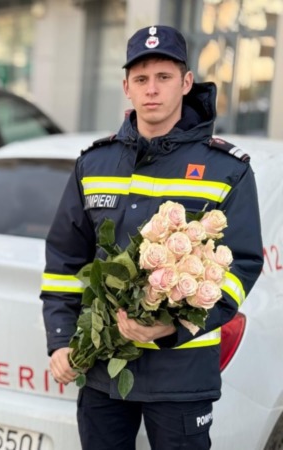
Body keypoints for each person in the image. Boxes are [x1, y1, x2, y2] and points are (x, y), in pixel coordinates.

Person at [41, 25, 264, 449]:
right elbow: (65, 261)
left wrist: (172, 326)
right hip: (103, 371)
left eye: (164, 77)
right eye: (141, 79)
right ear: (126, 87)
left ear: (186, 82)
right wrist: (60, 340)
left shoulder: (226, 168)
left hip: (181, 375)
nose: (152, 89)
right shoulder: (94, 163)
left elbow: (241, 266)